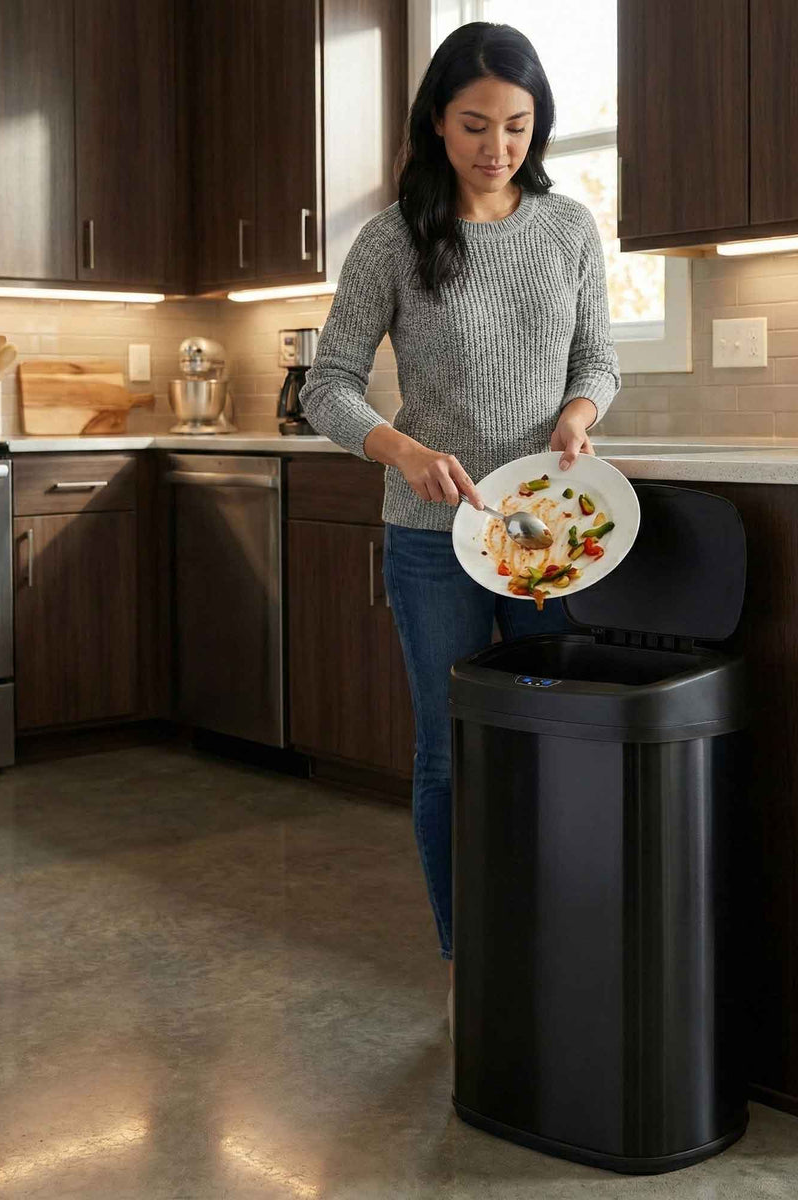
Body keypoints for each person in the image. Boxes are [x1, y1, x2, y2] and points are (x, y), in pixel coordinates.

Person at [299, 21, 620, 1031]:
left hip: (547, 535)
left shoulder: (569, 230)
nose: (498, 147)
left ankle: (551, 935)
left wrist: (581, 413)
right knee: (449, 754)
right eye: (477, 125)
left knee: (552, 745)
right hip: (432, 541)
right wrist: (398, 448)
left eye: (518, 127)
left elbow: (598, 361)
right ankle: (470, 954)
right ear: (437, 121)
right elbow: (328, 384)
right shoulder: (394, 237)